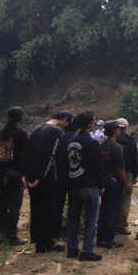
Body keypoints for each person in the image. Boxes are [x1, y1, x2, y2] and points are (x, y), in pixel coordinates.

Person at [25, 110, 73, 253]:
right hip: (46, 178)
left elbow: (28, 152)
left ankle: (38, 243)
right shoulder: (56, 130)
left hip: (32, 176)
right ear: (64, 119)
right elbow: (50, 155)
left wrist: (28, 175)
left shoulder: (37, 128)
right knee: (48, 210)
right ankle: (48, 242)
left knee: (36, 209)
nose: (65, 127)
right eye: (67, 124)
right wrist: (41, 177)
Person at [66, 111, 103, 261]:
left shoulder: (71, 142)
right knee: (91, 219)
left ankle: (72, 249)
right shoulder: (92, 142)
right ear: (90, 124)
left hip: (73, 183)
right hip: (89, 184)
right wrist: (101, 185)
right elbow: (98, 167)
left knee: (73, 218)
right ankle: (87, 251)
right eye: (93, 122)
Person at [0, 106, 28, 246]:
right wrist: (25, 174)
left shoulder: (0, 133)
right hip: (15, 175)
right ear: (21, 118)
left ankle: (0, 236)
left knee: (2, 206)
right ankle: (12, 236)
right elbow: (23, 156)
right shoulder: (21, 134)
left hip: (1, 174)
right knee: (14, 205)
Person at [96, 120, 130, 249]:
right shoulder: (116, 147)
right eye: (119, 129)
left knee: (103, 208)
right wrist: (126, 185)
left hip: (103, 180)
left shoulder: (102, 145)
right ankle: (108, 239)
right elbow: (120, 169)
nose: (120, 131)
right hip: (114, 181)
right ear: (116, 131)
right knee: (112, 210)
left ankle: (100, 238)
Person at [53, 118, 78, 240]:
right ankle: (71, 233)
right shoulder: (77, 140)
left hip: (59, 175)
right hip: (74, 176)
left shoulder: (60, 139)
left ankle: (55, 232)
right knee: (74, 206)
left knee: (58, 205)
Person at [114, 118, 138, 236]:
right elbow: (135, 158)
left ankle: (110, 224)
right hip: (127, 172)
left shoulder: (111, 139)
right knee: (125, 199)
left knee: (112, 197)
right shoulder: (131, 140)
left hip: (112, 172)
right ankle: (121, 226)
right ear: (126, 127)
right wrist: (136, 174)